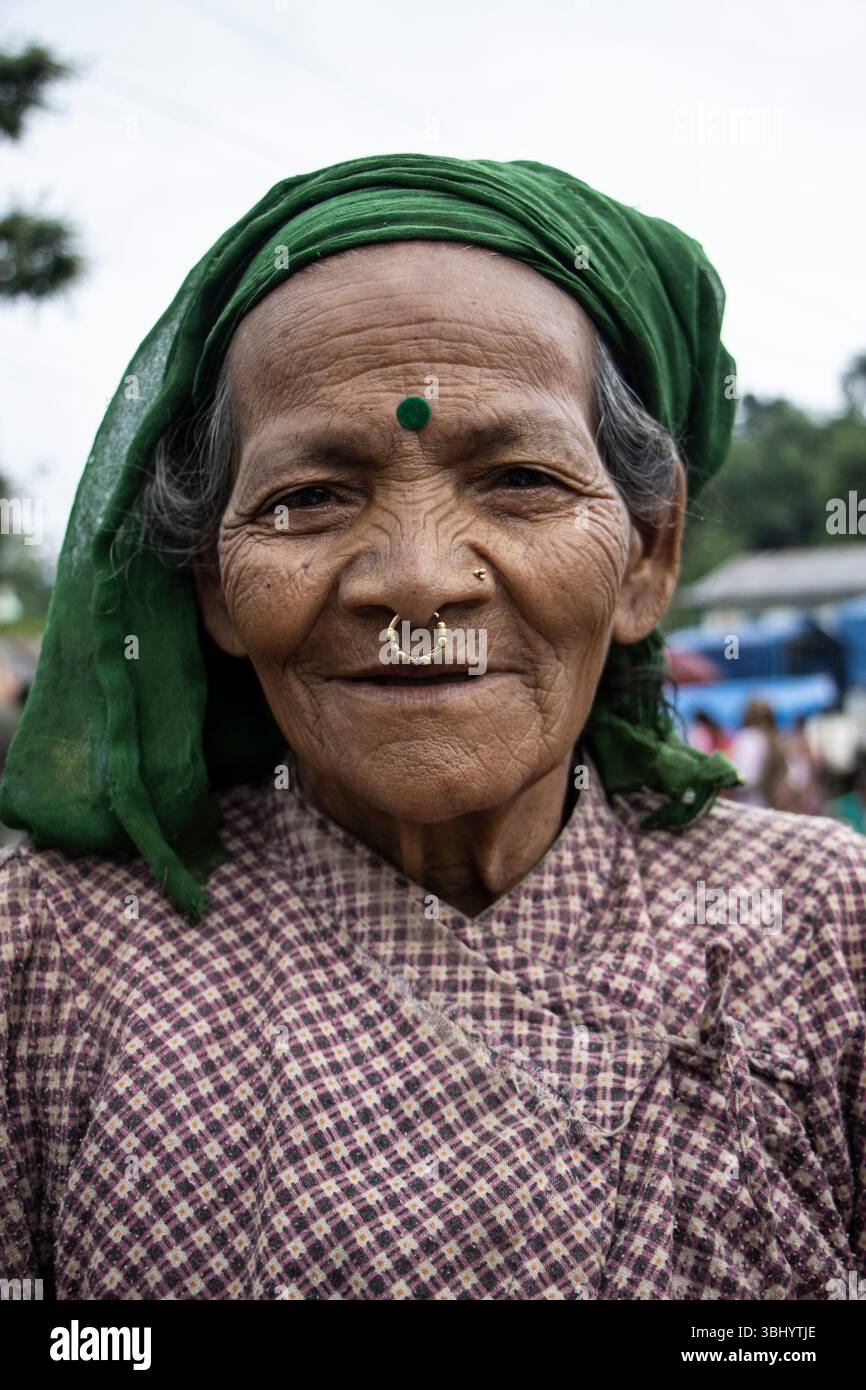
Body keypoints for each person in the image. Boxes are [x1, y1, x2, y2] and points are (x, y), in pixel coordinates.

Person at [1, 155, 864, 1301]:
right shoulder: (44, 964)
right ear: (211, 583)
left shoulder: (823, 931)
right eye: (307, 497)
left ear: (646, 560)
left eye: (517, 479)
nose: (415, 584)